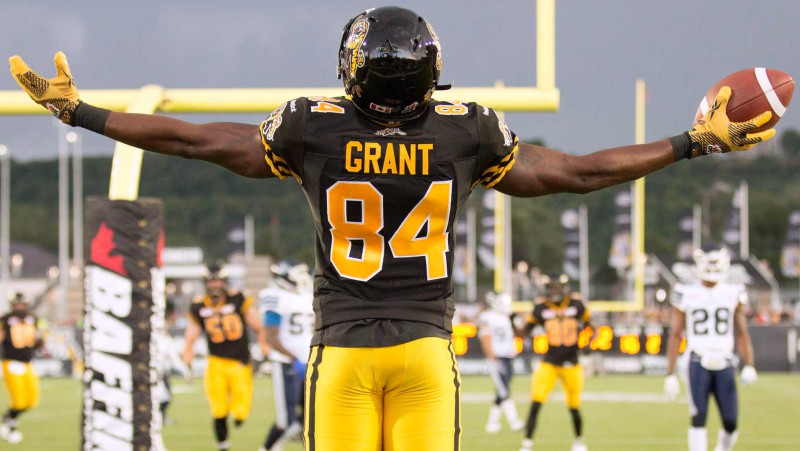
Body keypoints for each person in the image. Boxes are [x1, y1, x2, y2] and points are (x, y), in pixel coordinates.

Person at [8, 5, 776, 449]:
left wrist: (83, 112)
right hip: (423, 352)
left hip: (341, 352)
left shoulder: (312, 127)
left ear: (354, 73)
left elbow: (194, 139)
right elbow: (574, 172)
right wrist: (689, 141)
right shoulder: (465, 130)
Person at [664, 246, 757, 451]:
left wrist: (750, 364)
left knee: (731, 422)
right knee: (698, 417)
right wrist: (669, 373)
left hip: (724, 362)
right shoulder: (686, 291)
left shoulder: (733, 291)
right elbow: (676, 334)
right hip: (697, 361)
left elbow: (741, 331)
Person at [182, 265, 270, 451]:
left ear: (224, 282)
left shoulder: (238, 299)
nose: (214, 285)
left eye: (217, 281)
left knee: (240, 411)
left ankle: (238, 420)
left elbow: (258, 326)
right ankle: (222, 445)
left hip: (239, 363)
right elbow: (192, 333)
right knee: (218, 409)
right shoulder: (199, 305)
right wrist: (187, 353)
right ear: (206, 283)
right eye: (211, 281)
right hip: (215, 363)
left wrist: (264, 347)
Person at [515, 274, 591, 451]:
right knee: (536, 401)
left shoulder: (577, 304)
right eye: (551, 288)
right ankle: (527, 444)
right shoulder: (541, 307)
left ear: (564, 288)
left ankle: (579, 441)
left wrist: (588, 344)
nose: (554, 291)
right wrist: (513, 322)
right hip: (549, 362)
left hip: (572, 363)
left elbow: (591, 327)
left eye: (557, 287)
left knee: (574, 406)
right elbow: (524, 333)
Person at [258, 260, 315, 451]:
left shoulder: (306, 296)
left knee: (312, 413)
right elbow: (270, 335)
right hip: (285, 363)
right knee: (286, 421)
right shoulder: (275, 296)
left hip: (308, 363)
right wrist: (294, 359)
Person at [477, 291, 524, 433]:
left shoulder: (508, 317)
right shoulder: (488, 317)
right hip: (497, 357)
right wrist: (492, 358)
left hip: (508, 356)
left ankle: (492, 424)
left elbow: (520, 333)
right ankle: (514, 421)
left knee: (502, 390)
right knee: (504, 390)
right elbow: (485, 338)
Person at [0, 293, 43, 445]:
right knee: (18, 401)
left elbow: (38, 339)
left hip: (28, 363)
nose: (19, 307)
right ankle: (10, 425)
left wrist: (40, 341)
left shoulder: (33, 318)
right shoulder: (4, 320)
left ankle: (9, 418)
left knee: (32, 400)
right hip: (11, 362)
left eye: (21, 304)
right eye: (16, 304)